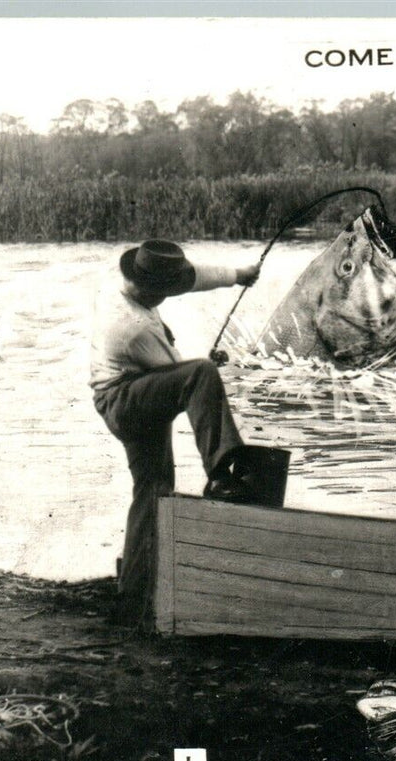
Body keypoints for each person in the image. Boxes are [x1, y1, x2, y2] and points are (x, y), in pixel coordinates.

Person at [90, 239, 262, 630]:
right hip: (127, 400)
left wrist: (237, 276)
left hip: (130, 390)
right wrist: (204, 364)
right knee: (201, 374)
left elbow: (192, 277)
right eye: (166, 293)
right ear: (151, 289)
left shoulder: (124, 281)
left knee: (153, 493)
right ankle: (222, 471)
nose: (171, 296)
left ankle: (132, 599)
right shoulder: (130, 326)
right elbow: (184, 376)